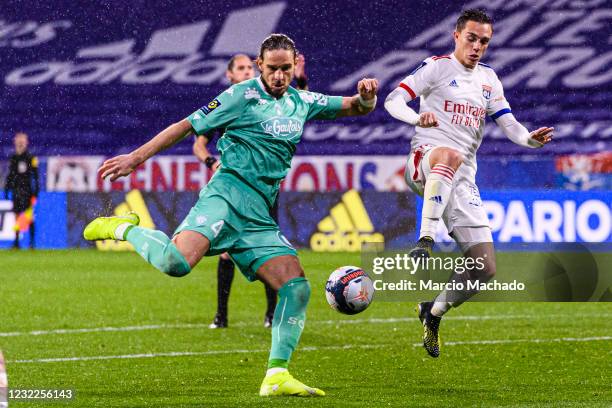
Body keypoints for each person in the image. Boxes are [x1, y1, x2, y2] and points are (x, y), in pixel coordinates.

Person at [83, 33, 378, 397]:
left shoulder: (302, 101)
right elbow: (186, 126)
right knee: (176, 264)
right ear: (259, 65)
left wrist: (367, 95)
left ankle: (276, 375)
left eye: (287, 69)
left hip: (258, 216)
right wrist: (135, 158)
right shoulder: (240, 96)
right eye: (272, 69)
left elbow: (356, 106)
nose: (280, 76)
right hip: (225, 196)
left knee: (296, 287)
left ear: (294, 65)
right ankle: (122, 228)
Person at [384, 9, 553, 358]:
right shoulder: (437, 66)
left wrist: (529, 141)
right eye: (472, 38)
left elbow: (510, 125)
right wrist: (418, 117)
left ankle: (433, 313)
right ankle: (426, 239)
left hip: (461, 180)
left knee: (484, 267)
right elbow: (393, 100)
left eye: (484, 42)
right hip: (424, 162)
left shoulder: (489, 80)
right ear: (456, 36)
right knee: (448, 154)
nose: (477, 46)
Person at [194, 53, 310, 330]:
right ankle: (221, 316)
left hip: (263, 188)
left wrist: (302, 77)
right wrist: (211, 161)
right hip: (234, 186)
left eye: (250, 67)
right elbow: (199, 143)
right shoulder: (229, 103)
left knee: (268, 246)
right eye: (241, 68)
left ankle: (270, 314)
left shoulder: (269, 100)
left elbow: (301, 104)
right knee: (227, 250)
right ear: (230, 75)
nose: (247, 72)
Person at [4, 132, 39, 249]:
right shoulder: (13, 158)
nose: (20, 143)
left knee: (29, 217)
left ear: (26, 143)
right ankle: (16, 242)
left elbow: (36, 177)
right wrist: (6, 188)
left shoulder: (30, 158)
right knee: (17, 216)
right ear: (15, 142)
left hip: (27, 191)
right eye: (18, 141)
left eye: (22, 141)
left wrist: (35, 193)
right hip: (16, 191)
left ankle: (32, 243)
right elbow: (10, 175)